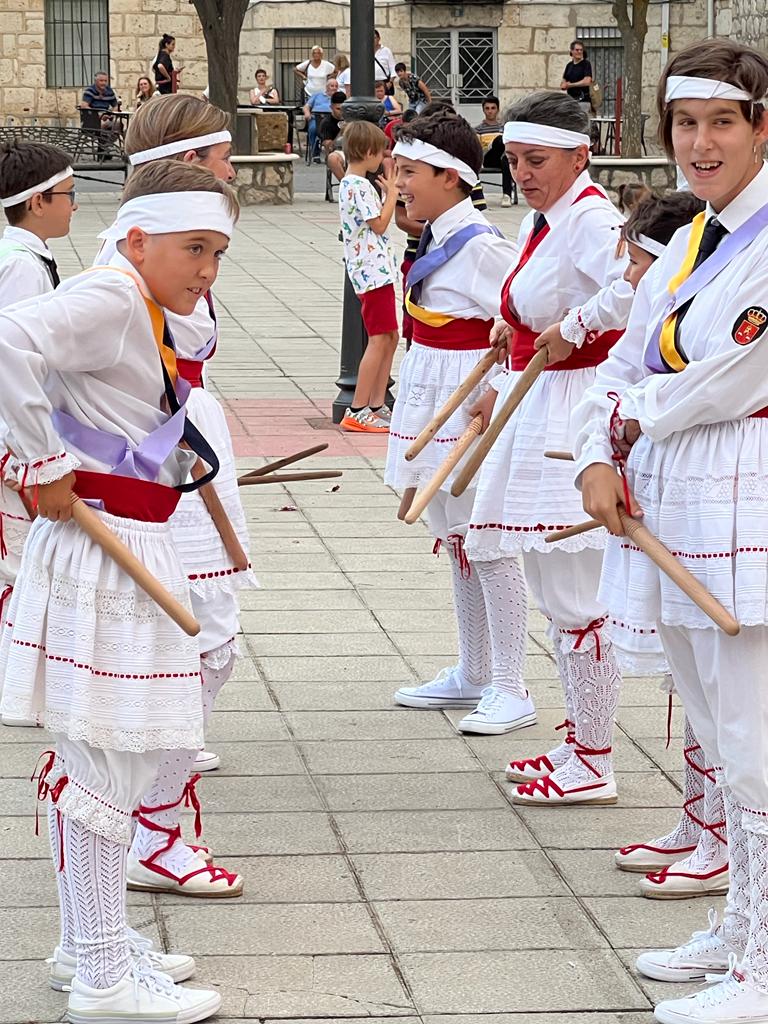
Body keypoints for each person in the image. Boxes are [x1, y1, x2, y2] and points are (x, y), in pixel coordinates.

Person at [0, 157, 235, 1023]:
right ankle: (103, 977)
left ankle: (85, 946)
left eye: (218, 252)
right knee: (110, 760)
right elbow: (5, 341)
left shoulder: (139, 299)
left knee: (98, 758)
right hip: (107, 544)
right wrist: (40, 459)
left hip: (127, 536)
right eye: (193, 248)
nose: (208, 270)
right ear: (137, 240)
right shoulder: (111, 293)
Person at [575, 39, 768, 1022]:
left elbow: (728, 378)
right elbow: (623, 361)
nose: (700, 143)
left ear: (762, 129)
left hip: (746, 492)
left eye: (722, 122)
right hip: (678, 495)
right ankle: (741, 927)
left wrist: (626, 425)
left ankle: (764, 968)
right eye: (684, 123)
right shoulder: (693, 238)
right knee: (715, 726)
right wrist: (595, 451)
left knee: (756, 732)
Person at [459, 92, 634, 753]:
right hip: (542, 392)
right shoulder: (548, 215)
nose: (522, 173)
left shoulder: (590, 218)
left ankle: (593, 753)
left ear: (579, 156)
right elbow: (541, 295)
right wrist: (515, 336)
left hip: (575, 400)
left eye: (536, 160)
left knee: (575, 583)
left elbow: (637, 287)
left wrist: (577, 324)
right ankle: (582, 744)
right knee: (553, 582)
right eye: (513, 160)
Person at [120, 95, 254, 896]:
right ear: (188, 164)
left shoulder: (168, 250)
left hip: (183, 438)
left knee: (205, 637)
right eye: (223, 157)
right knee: (197, 639)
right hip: (159, 451)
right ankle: (153, 828)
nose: (233, 169)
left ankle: (153, 815)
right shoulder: (125, 266)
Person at [387, 112, 521, 721]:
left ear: (450, 176)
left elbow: (520, 322)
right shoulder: (436, 233)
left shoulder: (482, 246)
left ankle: (511, 686)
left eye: (409, 172)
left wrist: (497, 390)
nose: (399, 184)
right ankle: (474, 670)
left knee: (486, 539)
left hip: (468, 398)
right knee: (456, 537)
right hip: (431, 387)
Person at [0, 141, 77, 728]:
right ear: (38, 201)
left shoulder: (25, 256)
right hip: (13, 435)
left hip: (17, 431)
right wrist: (32, 449)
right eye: (68, 195)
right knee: (21, 563)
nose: (74, 205)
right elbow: (16, 359)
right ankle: (17, 689)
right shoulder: (21, 265)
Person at [338, 121, 399, 433]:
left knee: (390, 336)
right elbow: (380, 223)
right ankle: (359, 408)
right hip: (372, 271)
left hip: (375, 270)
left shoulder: (352, 184)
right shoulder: (358, 186)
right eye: (380, 152)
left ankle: (376, 404)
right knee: (379, 339)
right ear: (367, 152)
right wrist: (392, 194)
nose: (382, 158)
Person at [474, 96, 515, 207]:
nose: (490, 111)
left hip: (503, 159)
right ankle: (494, 144)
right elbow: (476, 149)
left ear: (497, 110)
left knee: (506, 158)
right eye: (487, 108)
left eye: (493, 108)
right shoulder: (478, 129)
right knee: (499, 140)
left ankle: (507, 195)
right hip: (488, 158)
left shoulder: (504, 127)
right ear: (483, 110)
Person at [303, 77, 338, 160]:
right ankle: (315, 153)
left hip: (332, 119)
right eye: (332, 86)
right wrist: (307, 113)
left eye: (336, 86)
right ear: (327, 87)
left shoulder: (338, 97)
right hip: (316, 118)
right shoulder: (317, 95)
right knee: (313, 129)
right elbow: (306, 106)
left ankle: (333, 152)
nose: (334, 88)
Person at [560, 40, 593, 114]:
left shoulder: (586, 64)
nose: (579, 52)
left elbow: (587, 81)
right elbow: (563, 82)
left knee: (581, 120)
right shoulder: (569, 65)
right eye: (577, 50)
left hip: (583, 101)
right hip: (570, 101)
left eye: (581, 50)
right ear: (572, 51)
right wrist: (564, 85)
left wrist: (570, 85)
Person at [319, 91, 346, 157]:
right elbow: (329, 148)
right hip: (336, 155)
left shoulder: (350, 119)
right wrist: (341, 132)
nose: (341, 112)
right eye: (338, 109)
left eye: (343, 109)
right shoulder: (326, 123)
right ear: (331, 107)